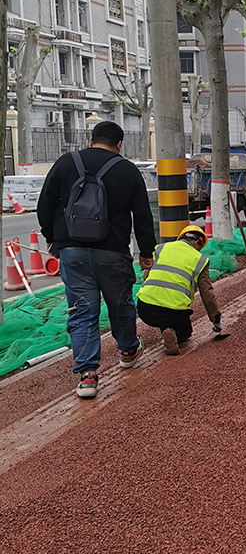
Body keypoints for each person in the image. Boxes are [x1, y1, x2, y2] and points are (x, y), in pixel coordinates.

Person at [37, 121, 156, 399]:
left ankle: (88, 375)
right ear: (119, 145)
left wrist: (53, 238)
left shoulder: (67, 163)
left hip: (72, 252)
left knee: (81, 312)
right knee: (120, 304)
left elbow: (45, 205)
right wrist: (147, 252)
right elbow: (142, 216)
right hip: (113, 253)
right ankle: (127, 351)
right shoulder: (127, 170)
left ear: (91, 140)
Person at [136, 225, 221, 355]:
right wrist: (217, 321)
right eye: (200, 247)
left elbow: (146, 276)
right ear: (196, 242)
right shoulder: (200, 260)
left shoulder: (161, 248)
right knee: (185, 330)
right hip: (174, 313)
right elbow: (208, 295)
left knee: (161, 311)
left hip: (144, 309)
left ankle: (165, 328)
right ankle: (171, 331)